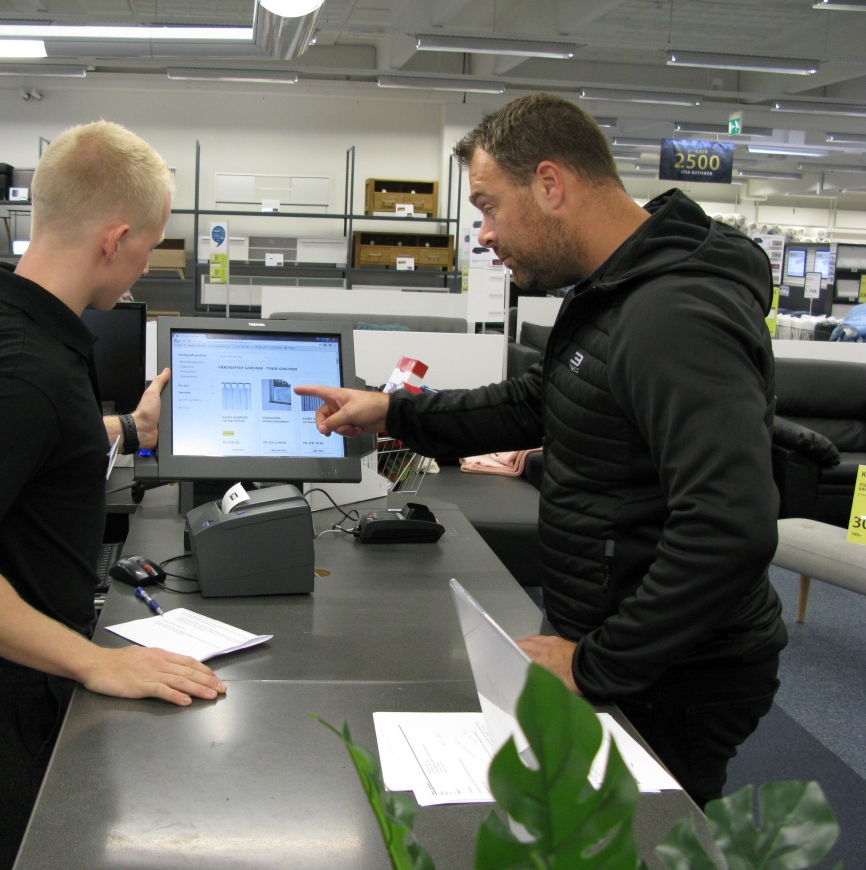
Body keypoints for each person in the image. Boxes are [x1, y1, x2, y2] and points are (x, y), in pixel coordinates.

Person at [295, 93, 787, 807]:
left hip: (675, 669)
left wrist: (594, 665)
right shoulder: (614, 295)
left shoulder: (673, 315)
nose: (484, 234)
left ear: (552, 185)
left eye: (490, 207)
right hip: (625, 639)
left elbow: (730, 526)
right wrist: (393, 411)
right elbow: (537, 401)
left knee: (646, 842)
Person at [0, 121, 226, 869]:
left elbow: (32, 445)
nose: (143, 267)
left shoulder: (5, 319)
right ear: (113, 238)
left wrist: (128, 429)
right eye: (147, 244)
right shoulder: (25, 364)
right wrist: (91, 661)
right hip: (2, 681)